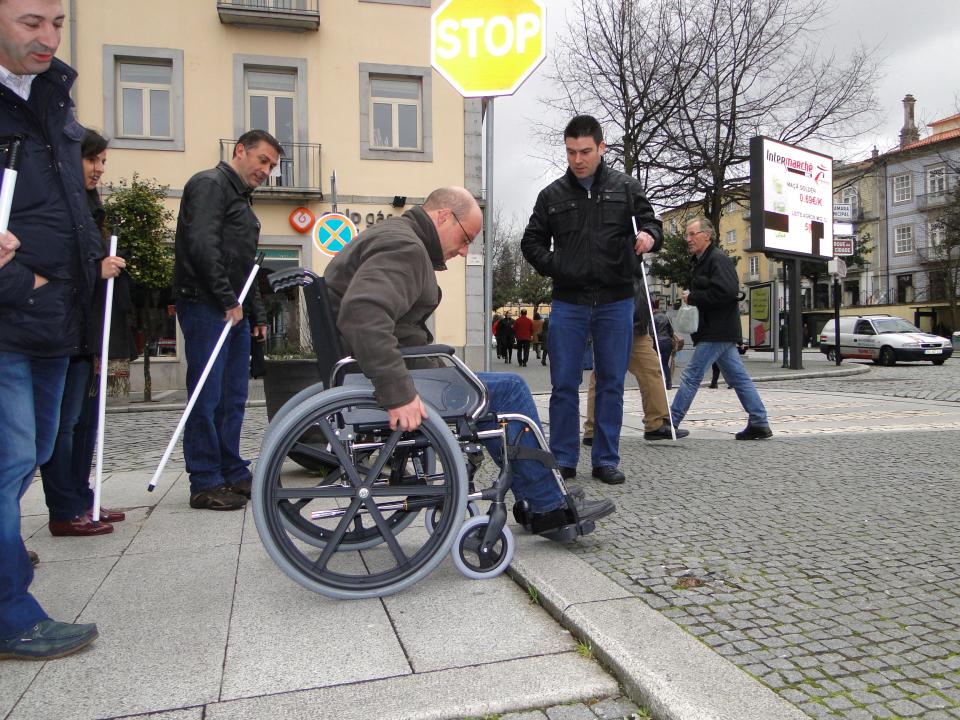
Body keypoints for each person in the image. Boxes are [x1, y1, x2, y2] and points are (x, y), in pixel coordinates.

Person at [324, 186, 615, 538]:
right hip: (388, 379)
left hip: (373, 371)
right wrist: (397, 393)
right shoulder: (405, 247)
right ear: (444, 215)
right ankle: (546, 505)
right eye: (465, 239)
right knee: (509, 389)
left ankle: (538, 494)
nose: (464, 251)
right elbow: (364, 313)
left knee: (490, 393)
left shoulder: (395, 236)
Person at [0, 0, 102, 660]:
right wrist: (21, 284)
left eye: (57, 23)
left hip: (50, 317)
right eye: (31, 21)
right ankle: (11, 613)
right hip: (11, 313)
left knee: (29, 455)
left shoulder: (50, 98)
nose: (47, 36)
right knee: (8, 462)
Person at [521, 115, 662, 485]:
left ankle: (605, 459)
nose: (578, 159)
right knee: (564, 383)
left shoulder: (626, 188)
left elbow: (653, 224)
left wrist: (648, 237)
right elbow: (531, 243)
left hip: (616, 300)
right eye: (570, 152)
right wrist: (559, 266)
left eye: (585, 151)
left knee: (612, 382)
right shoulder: (551, 195)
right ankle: (564, 458)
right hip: (569, 302)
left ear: (602, 147)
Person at [173, 129, 280, 510]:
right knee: (207, 393)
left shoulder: (241, 201)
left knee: (233, 396)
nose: (266, 170)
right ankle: (204, 479)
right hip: (206, 305)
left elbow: (248, 265)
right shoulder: (209, 185)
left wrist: (255, 312)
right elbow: (203, 245)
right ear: (240, 151)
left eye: (272, 166)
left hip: (232, 311)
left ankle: (230, 468)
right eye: (262, 160)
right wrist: (225, 299)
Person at [39, 129, 130, 537]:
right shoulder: (55, 206)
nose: (99, 169)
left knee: (85, 422)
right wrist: (98, 270)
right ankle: (64, 506)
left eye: (103, 162)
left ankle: (81, 495)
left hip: (87, 330)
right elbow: (54, 269)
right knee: (64, 422)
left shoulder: (89, 207)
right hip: (64, 331)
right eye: (93, 160)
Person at [669, 218, 772, 439]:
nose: (688, 239)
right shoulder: (703, 260)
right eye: (687, 235)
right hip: (718, 329)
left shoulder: (717, 259)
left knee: (691, 375)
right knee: (739, 378)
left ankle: (671, 422)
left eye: (692, 234)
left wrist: (693, 296)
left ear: (707, 234)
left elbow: (727, 292)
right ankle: (759, 421)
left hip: (716, 329)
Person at [582, 273, 689, 455]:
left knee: (603, 374)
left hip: (628, 319)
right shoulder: (620, 250)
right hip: (626, 319)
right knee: (649, 371)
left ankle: (594, 429)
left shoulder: (632, 251)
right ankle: (655, 422)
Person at [652, 298, 675, 389]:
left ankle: (657, 384)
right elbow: (671, 332)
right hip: (667, 342)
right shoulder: (667, 317)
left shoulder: (653, 318)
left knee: (655, 364)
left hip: (657, 342)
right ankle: (668, 383)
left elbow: (651, 332)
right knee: (665, 364)